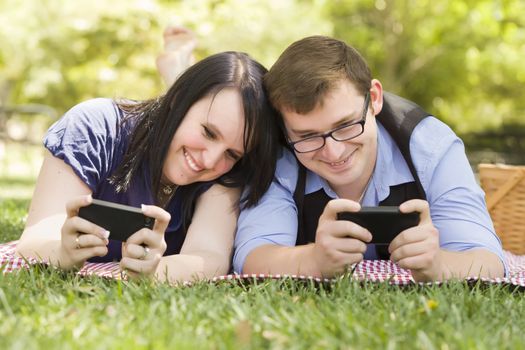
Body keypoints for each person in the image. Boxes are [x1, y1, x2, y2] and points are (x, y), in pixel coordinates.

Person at [233, 36, 506, 282]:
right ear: (284, 127)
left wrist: (439, 264)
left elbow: (488, 261)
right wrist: (313, 260)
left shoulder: (431, 146)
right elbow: (252, 257)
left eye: (345, 125)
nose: (334, 153)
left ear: (374, 98)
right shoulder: (279, 152)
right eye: (308, 136)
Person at [16, 49, 280, 283]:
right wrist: (62, 253)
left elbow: (209, 257)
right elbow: (36, 240)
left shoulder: (228, 172)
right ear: (178, 100)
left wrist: (154, 272)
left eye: (232, 153)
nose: (210, 161)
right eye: (209, 133)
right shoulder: (93, 126)